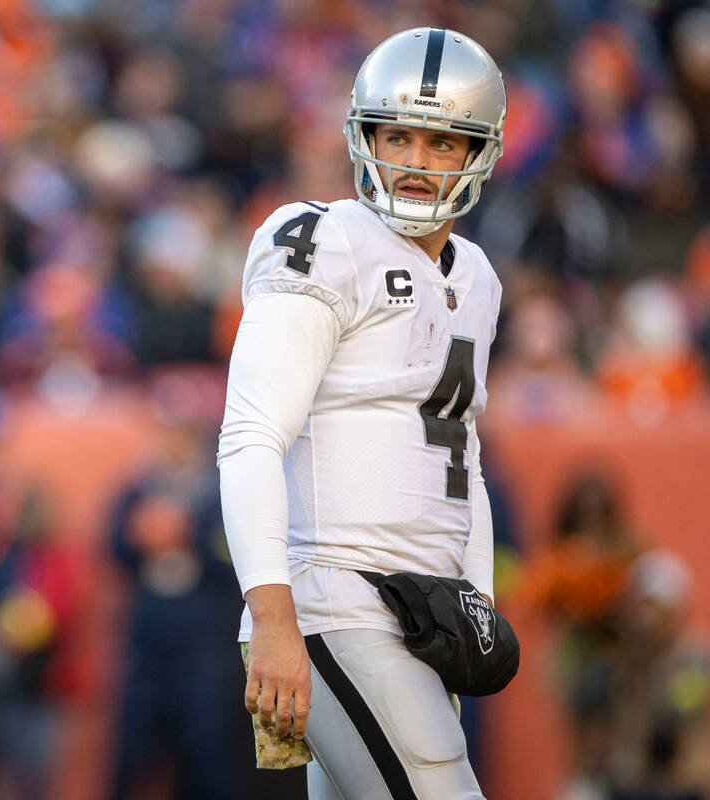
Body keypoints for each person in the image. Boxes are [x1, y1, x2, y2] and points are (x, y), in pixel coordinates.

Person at [218, 27, 507, 799]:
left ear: (480, 151)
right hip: (337, 600)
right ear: (363, 136)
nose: (415, 161)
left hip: (422, 617)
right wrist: (274, 615)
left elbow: (464, 460)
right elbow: (249, 436)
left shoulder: (477, 277)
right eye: (398, 135)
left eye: (443, 142)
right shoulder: (324, 239)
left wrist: (471, 610)